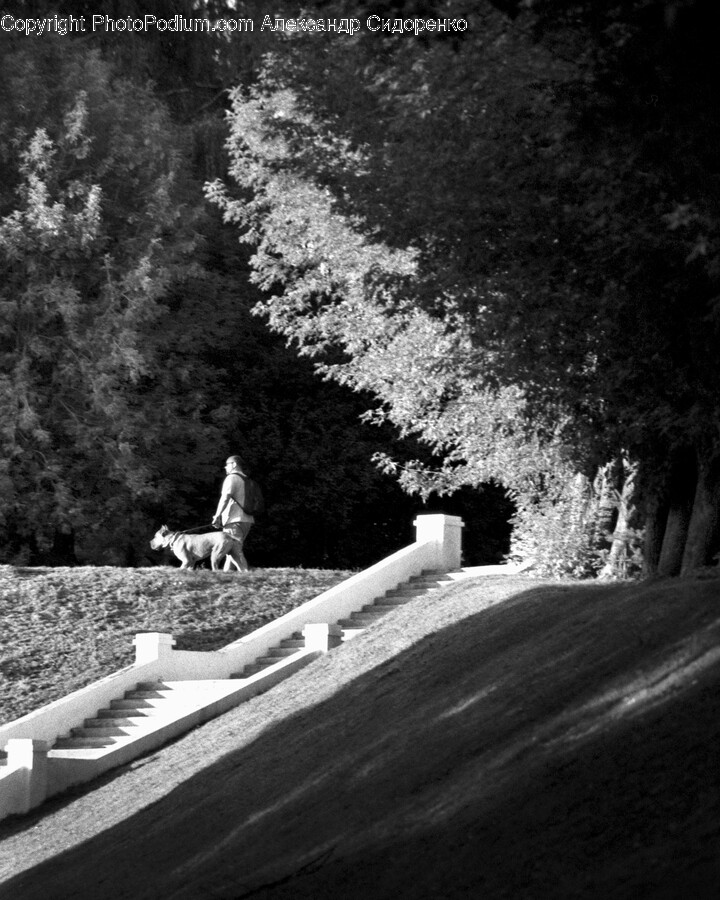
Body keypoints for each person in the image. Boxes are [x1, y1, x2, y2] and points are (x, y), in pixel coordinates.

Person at [212, 455, 254, 571]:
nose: (225, 467)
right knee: (231, 551)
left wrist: (217, 515)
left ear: (234, 464)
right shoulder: (247, 479)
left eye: (227, 465)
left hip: (234, 520)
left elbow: (225, 497)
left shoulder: (231, 478)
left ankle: (247, 576)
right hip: (247, 520)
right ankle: (227, 579)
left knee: (235, 551)